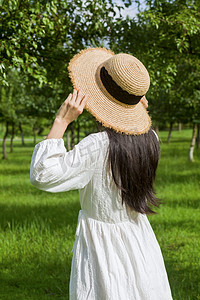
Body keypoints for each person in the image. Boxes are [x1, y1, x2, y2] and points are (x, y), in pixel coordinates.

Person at [30, 48, 173, 300]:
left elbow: (43, 174)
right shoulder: (152, 139)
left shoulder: (97, 145)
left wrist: (61, 121)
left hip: (103, 248)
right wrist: (136, 111)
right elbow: (138, 129)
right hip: (140, 240)